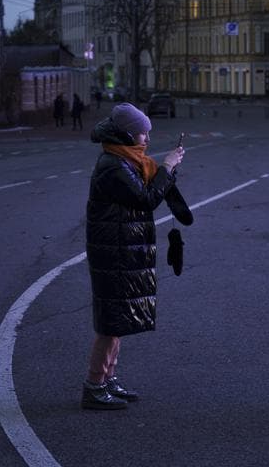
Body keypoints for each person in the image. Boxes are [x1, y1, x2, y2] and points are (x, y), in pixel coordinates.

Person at [81, 103, 185, 411]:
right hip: (113, 252)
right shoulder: (114, 166)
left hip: (121, 249)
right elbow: (145, 199)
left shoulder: (126, 160)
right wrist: (166, 168)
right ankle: (94, 386)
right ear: (127, 135)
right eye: (142, 133)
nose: (147, 139)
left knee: (118, 321)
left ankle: (107, 379)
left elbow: (145, 190)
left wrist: (167, 170)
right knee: (110, 324)